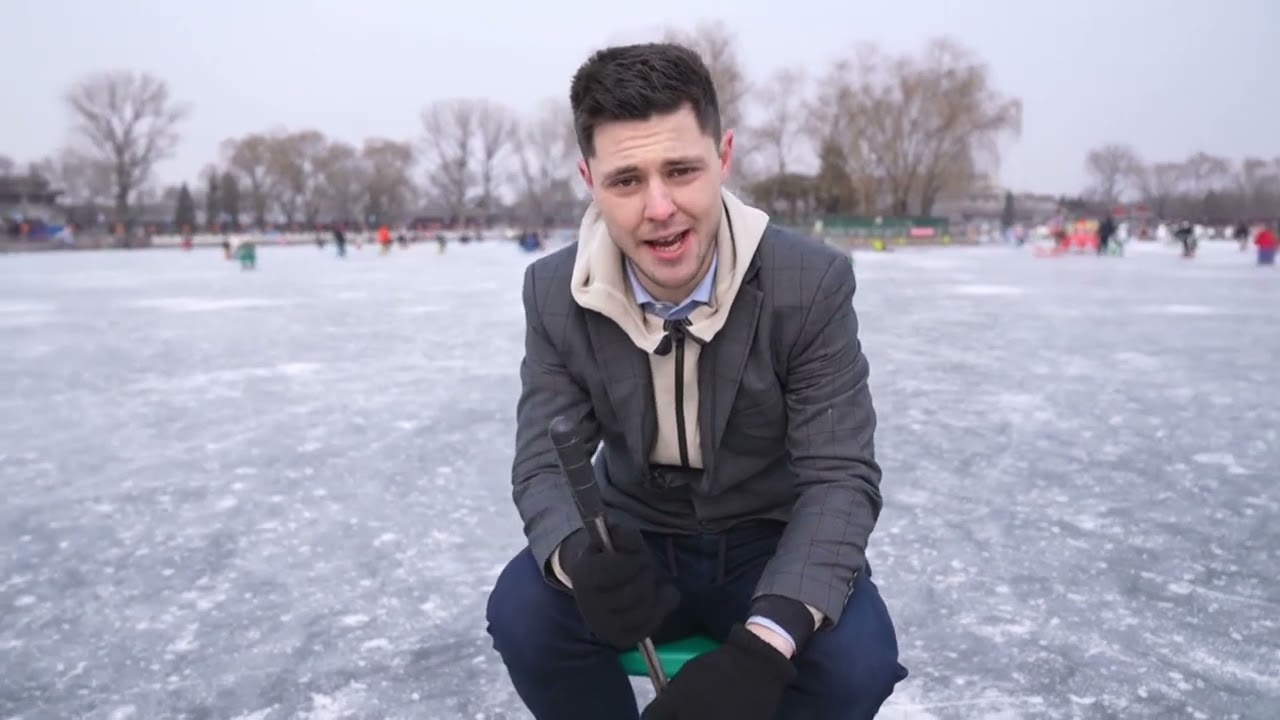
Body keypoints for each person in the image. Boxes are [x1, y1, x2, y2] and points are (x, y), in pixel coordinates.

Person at [485, 42, 907, 720]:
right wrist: (578, 561)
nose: (659, 208)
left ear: (724, 156)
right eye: (626, 180)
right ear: (589, 178)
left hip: (767, 539)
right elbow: (543, 459)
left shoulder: (810, 283)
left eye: (681, 170)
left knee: (856, 665)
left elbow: (839, 478)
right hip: (636, 537)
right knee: (524, 617)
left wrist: (767, 646)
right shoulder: (554, 291)